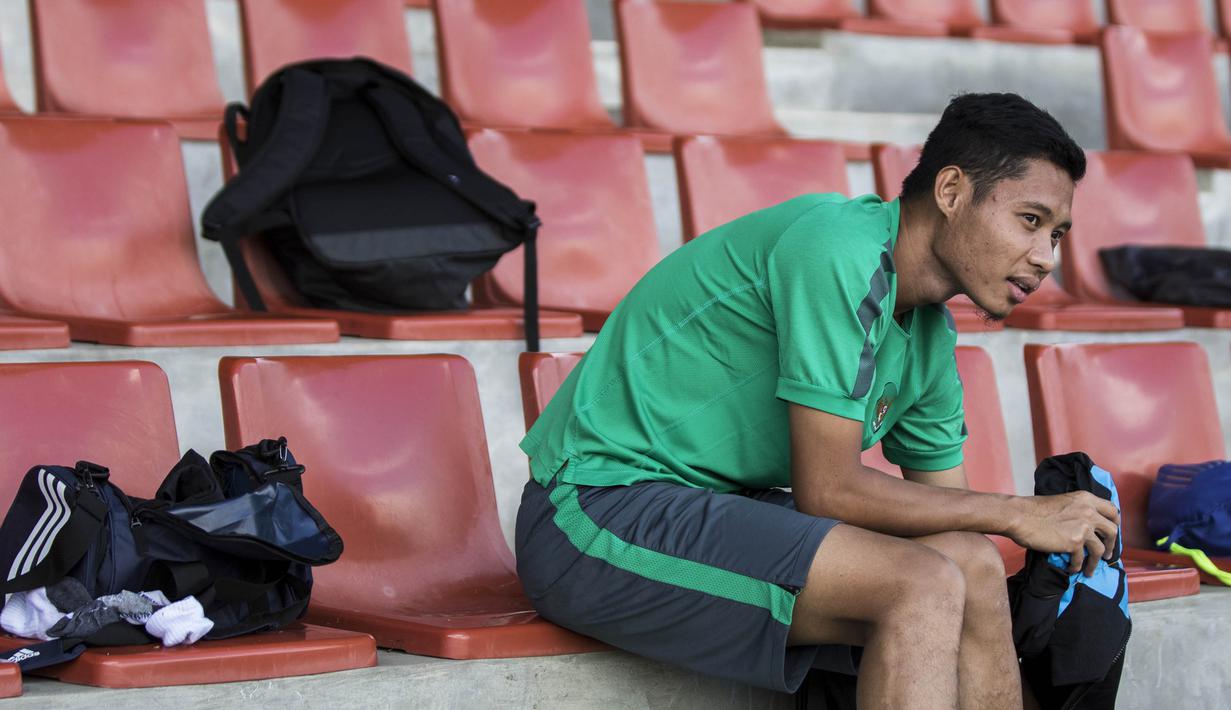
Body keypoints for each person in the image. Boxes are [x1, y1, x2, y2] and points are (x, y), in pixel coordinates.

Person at [514, 93, 1120, 710]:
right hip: (591, 512)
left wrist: (1011, 527)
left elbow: (951, 518)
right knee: (921, 582)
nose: (1046, 258)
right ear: (951, 191)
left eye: (1057, 234)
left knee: (972, 564)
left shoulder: (930, 332)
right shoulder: (838, 248)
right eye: (1029, 220)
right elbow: (828, 490)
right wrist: (1017, 512)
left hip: (718, 509)